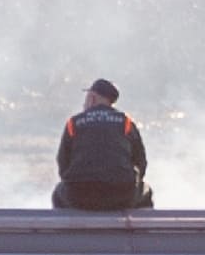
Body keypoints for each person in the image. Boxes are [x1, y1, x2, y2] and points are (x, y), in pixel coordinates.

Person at [53, 78, 152, 210]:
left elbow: (63, 162)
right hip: (122, 196)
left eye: (86, 98)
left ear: (92, 98)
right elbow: (140, 161)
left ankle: (67, 229)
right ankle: (138, 229)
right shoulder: (126, 123)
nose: (84, 103)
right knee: (146, 191)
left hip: (79, 196)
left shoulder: (74, 123)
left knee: (58, 193)